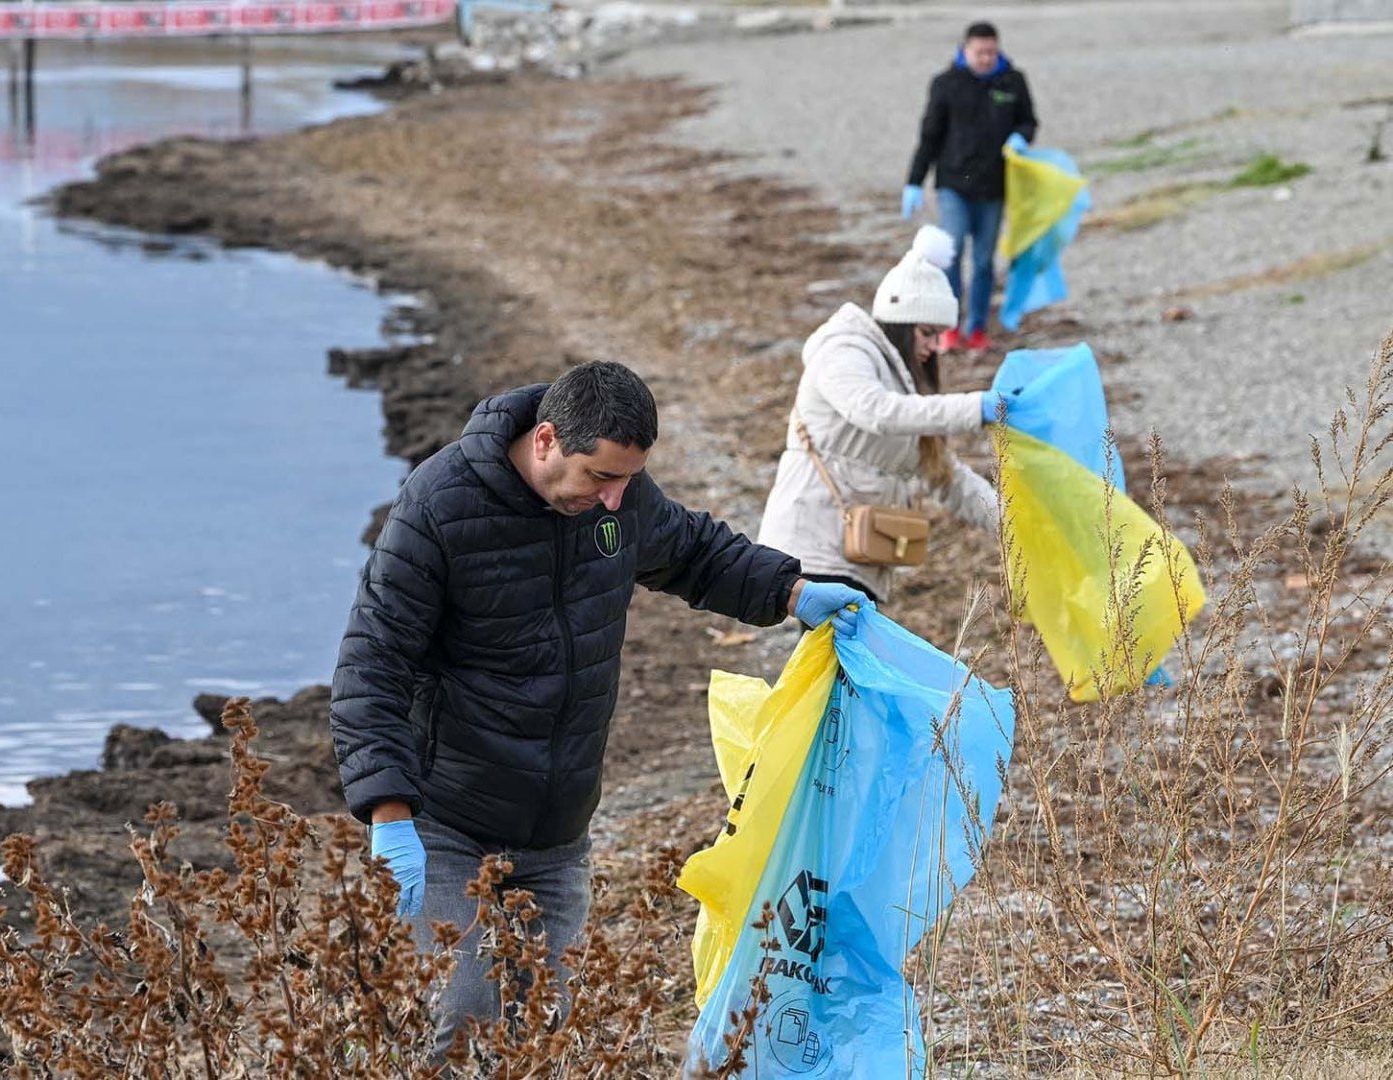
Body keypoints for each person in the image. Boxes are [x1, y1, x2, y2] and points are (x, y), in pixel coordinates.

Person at [329, 360, 864, 1053]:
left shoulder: (620, 500)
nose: (614, 499)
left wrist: (792, 591)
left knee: (551, 1035)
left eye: (626, 480)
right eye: (600, 478)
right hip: (449, 824)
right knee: (464, 1021)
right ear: (546, 439)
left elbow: (697, 553)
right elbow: (373, 662)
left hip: (559, 830)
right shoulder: (440, 507)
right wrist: (388, 812)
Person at [757, 226, 1011, 607]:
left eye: (940, 335)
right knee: (828, 664)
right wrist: (976, 408)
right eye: (928, 333)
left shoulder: (904, 387)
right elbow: (875, 411)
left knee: (828, 666)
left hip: (859, 557)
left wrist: (1013, 523)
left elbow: (947, 477)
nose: (933, 346)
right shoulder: (844, 351)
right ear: (900, 323)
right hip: (812, 553)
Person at [901, 20, 1039, 355]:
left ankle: (976, 328)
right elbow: (930, 136)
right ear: (966, 50)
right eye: (980, 53)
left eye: (992, 52)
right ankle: (949, 328)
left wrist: (1022, 136)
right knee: (950, 255)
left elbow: (1028, 120)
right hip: (953, 184)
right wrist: (914, 182)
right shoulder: (946, 84)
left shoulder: (1013, 81)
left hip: (994, 187)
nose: (986, 58)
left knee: (983, 261)